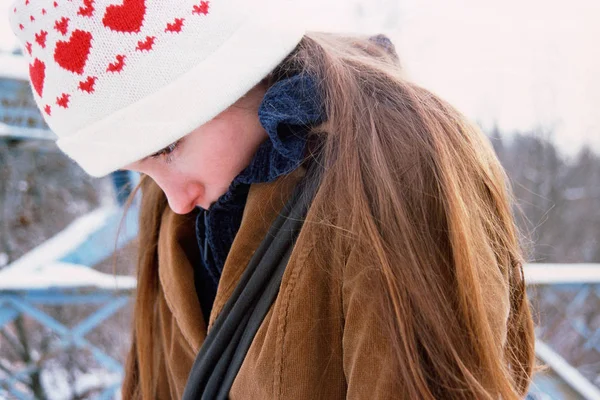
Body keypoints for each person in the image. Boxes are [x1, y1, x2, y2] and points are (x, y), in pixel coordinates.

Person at [9, 0, 537, 398]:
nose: (175, 199)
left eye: (167, 148)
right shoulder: (182, 197)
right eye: (138, 169)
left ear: (230, 70)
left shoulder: (395, 156)